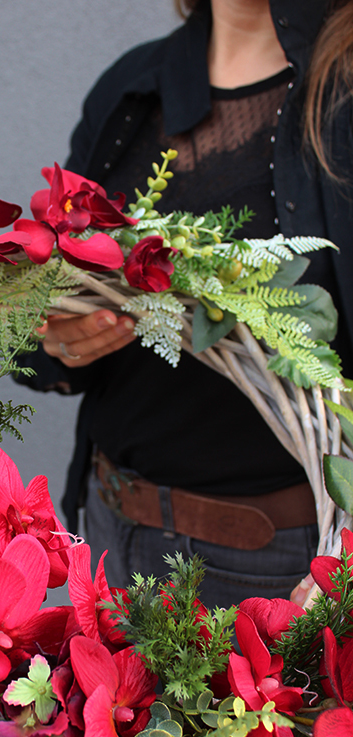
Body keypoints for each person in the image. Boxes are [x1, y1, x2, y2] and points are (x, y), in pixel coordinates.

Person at [17, 0, 353, 608]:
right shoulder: (133, 88)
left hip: (279, 563)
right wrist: (58, 341)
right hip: (112, 527)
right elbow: (45, 301)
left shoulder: (342, 101)